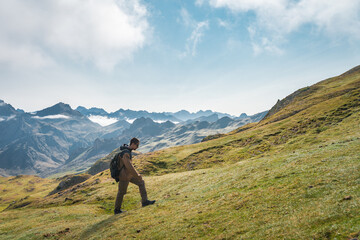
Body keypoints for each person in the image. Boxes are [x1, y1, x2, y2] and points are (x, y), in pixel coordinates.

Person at [114, 137, 155, 214]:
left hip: (129, 175)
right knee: (121, 192)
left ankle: (145, 201)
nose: (137, 147)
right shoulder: (125, 153)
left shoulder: (127, 151)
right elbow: (129, 166)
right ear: (132, 144)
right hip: (124, 176)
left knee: (141, 182)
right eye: (137, 145)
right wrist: (137, 175)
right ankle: (117, 210)